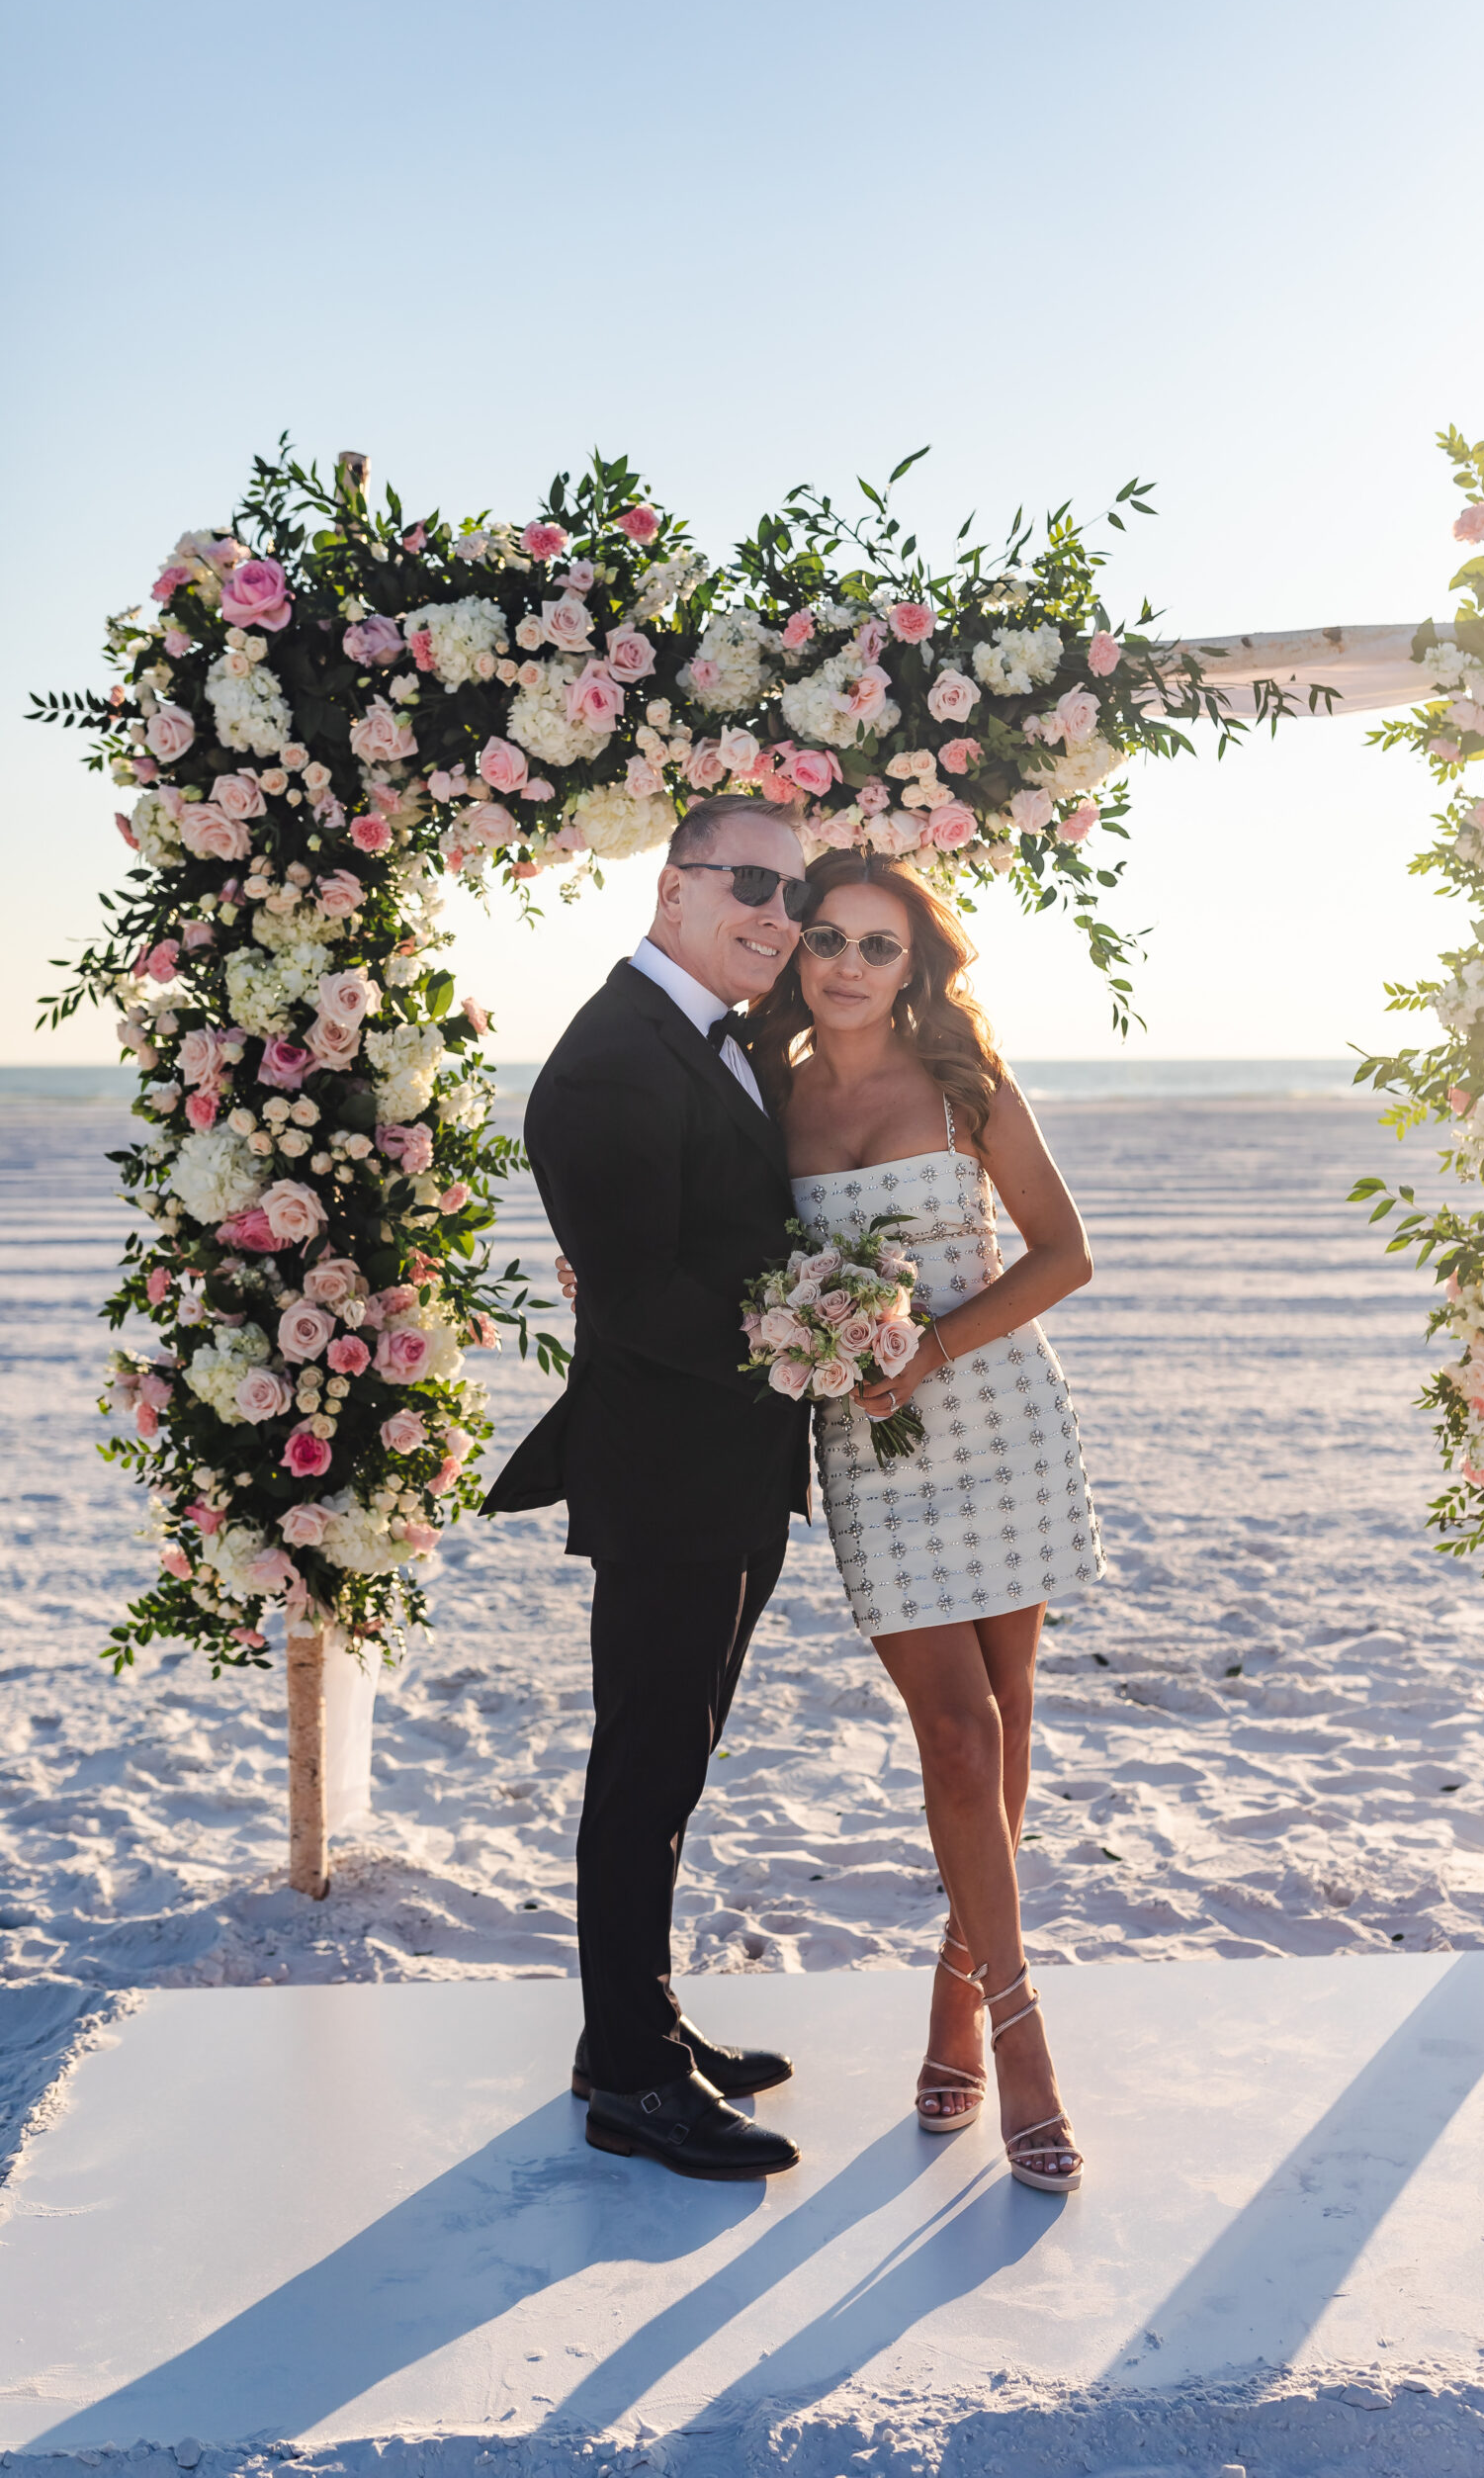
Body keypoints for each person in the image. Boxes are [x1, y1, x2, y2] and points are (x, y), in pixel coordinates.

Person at [554, 845, 1105, 2191]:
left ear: (914, 967)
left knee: (1009, 1730)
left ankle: (955, 2010)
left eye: (879, 946)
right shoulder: (762, 1094)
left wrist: (930, 1348)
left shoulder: (967, 1081)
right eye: (828, 942)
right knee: (959, 1741)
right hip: (871, 1449)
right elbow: (700, 1234)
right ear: (795, 960)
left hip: (998, 1421)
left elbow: (1063, 1251)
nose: (849, 966)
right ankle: (1027, 2046)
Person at [482, 794, 816, 2182]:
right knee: (642, 1776)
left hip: (723, 1465)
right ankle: (631, 2079)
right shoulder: (620, 1056)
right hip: (672, 1472)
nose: (778, 917)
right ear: (670, 888)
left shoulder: (711, 1040)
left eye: (794, 896)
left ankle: (633, 2028)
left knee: (668, 1771)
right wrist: (809, 1339)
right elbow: (639, 1299)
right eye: (751, 881)